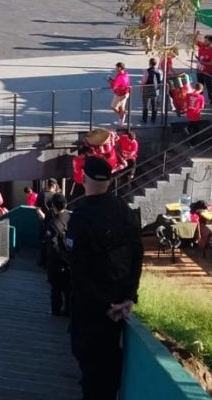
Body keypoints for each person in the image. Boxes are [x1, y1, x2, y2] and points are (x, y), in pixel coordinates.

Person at [66, 156, 143, 400]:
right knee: (108, 372)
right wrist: (128, 298)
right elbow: (137, 254)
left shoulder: (80, 217)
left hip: (92, 312)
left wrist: (104, 305)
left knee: (92, 374)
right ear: (110, 182)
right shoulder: (124, 210)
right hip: (119, 308)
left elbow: (78, 271)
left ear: (84, 179)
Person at [44, 193, 70, 316]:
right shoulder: (70, 218)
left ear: (53, 206)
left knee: (56, 287)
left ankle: (56, 310)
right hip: (70, 259)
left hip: (57, 261)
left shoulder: (53, 223)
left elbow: (52, 245)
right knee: (68, 288)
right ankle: (68, 310)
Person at [194, 31, 212, 105]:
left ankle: (210, 99)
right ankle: (200, 101)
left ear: (210, 42)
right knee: (200, 86)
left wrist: (203, 63)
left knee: (209, 87)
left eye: (206, 41)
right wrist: (196, 34)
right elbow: (195, 41)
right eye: (204, 40)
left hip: (207, 72)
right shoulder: (202, 46)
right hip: (199, 71)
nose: (204, 41)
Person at [140, 57, 161, 124]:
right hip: (156, 89)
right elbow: (160, 80)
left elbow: (143, 81)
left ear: (150, 63)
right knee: (154, 105)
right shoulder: (159, 71)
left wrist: (141, 88)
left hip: (148, 89)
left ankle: (144, 119)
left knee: (146, 105)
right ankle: (153, 119)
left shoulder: (147, 71)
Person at [109, 62, 131, 127]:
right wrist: (113, 81)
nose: (115, 69)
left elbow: (114, 87)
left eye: (116, 68)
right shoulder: (126, 74)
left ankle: (122, 115)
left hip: (120, 94)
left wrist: (111, 82)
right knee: (121, 107)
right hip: (126, 93)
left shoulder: (119, 77)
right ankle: (121, 121)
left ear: (119, 68)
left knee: (113, 107)